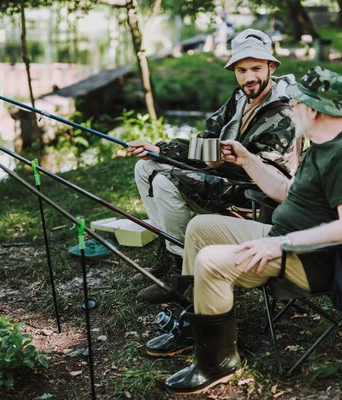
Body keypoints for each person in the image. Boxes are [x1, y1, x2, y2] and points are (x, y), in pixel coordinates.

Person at [158, 66, 342, 395]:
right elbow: (287, 192)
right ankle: (198, 323)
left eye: (298, 105)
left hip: (310, 260)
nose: (293, 110)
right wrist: (247, 160)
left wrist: (280, 245)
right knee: (200, 228)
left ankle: (216, 365)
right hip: (286, 240)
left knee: (210, 261)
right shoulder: (324, 143)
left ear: (315, 111)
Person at [128, 29, 297, 303]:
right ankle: (170, 255)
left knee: (165, 181)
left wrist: (217, 160)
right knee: (145, 168)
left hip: (256, 195)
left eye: (256, 68)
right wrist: (160, 150)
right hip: (227, 176)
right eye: (241, 70)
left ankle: (183, 271)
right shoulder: (240, 99)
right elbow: (206, 140)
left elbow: (268, 174)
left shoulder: (282, 113)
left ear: (272, 66)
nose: (248, 77)